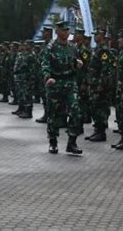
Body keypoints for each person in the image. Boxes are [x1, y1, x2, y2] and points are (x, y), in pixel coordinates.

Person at [42, 21, 83, 154]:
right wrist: (48, 78)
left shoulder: (73, 47)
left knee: (76, 111)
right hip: (55, 83)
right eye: (63, 30)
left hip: (70, 83)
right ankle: (53, 142)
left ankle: (72, 142)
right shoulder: (51, 47)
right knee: (53, 114)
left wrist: (78, 64)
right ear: (57, 32)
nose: (66, 33)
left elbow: (75, 62)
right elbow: (45, 63)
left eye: (67, 30)